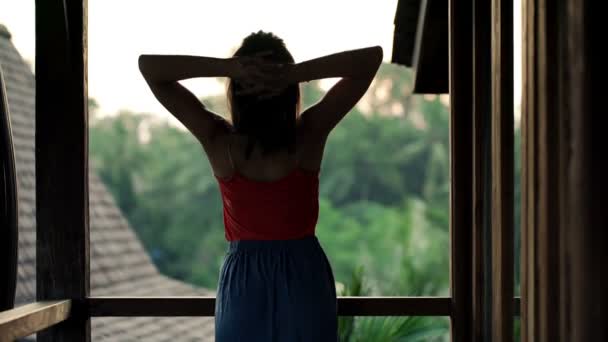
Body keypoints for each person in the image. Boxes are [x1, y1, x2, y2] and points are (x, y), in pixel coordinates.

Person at [139, 30, 382, 342]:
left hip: (243, 283)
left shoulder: (219, 141)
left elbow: (150, 69)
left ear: (237, 93)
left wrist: (231, 69)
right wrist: (293, 74)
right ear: (289, 92)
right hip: (304, 275)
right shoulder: (308, 135)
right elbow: (370, 60)